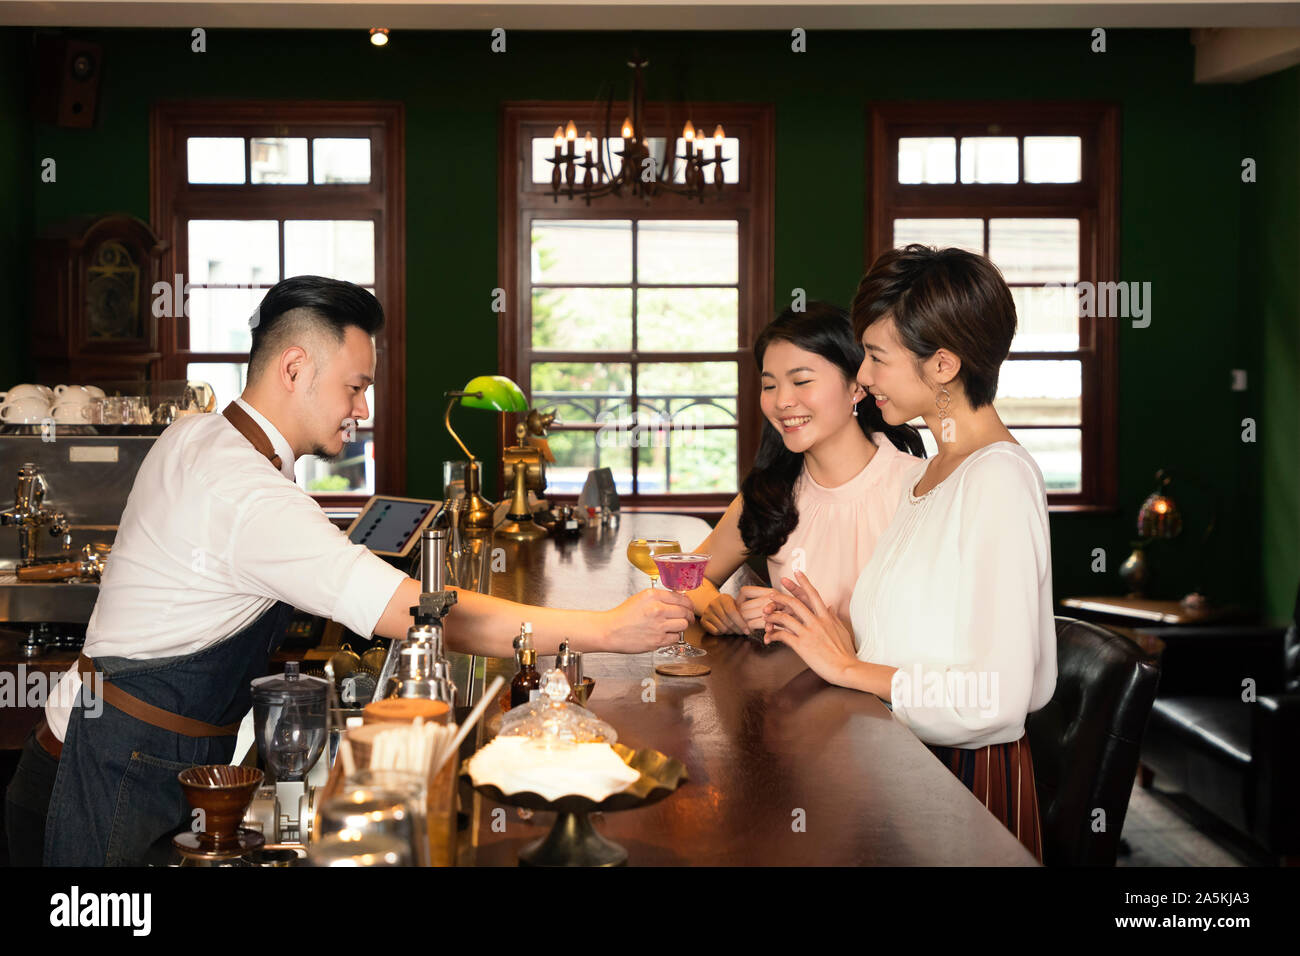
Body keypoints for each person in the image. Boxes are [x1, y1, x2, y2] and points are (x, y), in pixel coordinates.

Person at [4, 275, 692, 867]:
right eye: (355, 386)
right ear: (295, 368)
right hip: (106, 774)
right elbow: (423, 613)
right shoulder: (246, 491)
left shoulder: (202, 431)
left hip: (102, 753)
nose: (363, 408)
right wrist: (607, 628)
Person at [761, 246, 1057, 862]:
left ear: (943, 364)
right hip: (902, 761)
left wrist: (847, 669)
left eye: (876, 357)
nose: (862, 377)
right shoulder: (933, 474)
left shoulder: (996, 479)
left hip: (960, 789)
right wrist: (833, 638)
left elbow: (995, 701)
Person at [688, 303, 925, 637]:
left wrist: (797, 617)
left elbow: (929, 634)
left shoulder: (916, 488)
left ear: (856, 387)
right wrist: (715, 605)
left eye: (801, 381)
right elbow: (686, 579)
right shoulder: (771, 491)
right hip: (789, 687)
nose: (782, 401)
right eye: (769, 386)